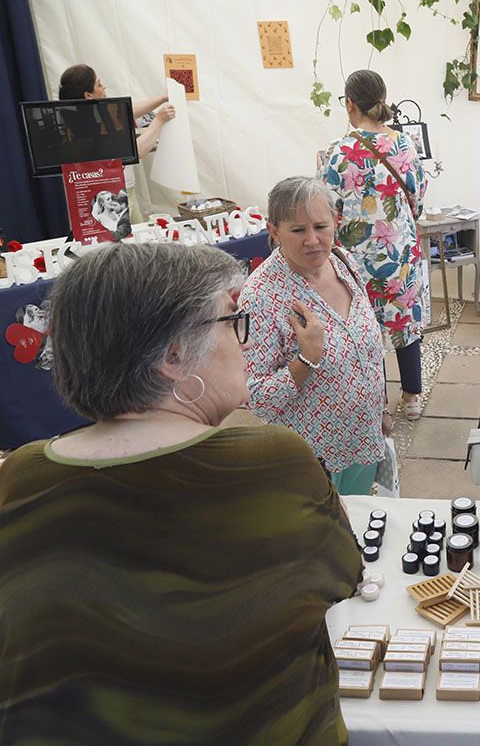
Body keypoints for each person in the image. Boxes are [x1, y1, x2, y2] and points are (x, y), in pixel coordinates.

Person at [0, 242, 361, 743]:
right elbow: (344, 575)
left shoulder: (19, 476)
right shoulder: (269, 460)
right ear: (172, 356)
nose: (245, 342)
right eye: (233, 322)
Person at [242, 176, 390, 494]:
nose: (313, 240)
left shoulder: (342, 261)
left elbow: (365, 346)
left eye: (320, 227)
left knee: (360, 530)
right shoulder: (261, 295)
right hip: (313, 460)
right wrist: (307, 358)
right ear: (274, 231)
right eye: (298, 230)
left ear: (335, 223)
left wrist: (381, 408)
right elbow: (256, 399)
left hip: (362, 441)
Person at [321, 69, 428, 420]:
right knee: (403, 323)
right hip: (401, 253)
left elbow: (327, 208)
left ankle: (378, 407)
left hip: (356, 259)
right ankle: (412, 399)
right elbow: (418, 199)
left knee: (366, 330)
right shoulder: (404, 145)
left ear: (350, 103)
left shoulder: (338, 152)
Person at [58, 63, 175, 159]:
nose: (103, 87)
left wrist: (162, 98)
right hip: (110, 185)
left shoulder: (81, 115)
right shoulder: (89, 128)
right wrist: (159, 120)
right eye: (99, 85)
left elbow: (126, 111)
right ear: (88, 95)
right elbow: (136, 151)